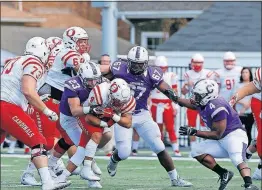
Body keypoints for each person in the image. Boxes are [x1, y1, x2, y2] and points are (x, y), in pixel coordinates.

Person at [101, 46, 192, 187]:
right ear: (128, 61)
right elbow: (99, 75)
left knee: (158, 146)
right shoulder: (119, 68)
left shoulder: (152, 73)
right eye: (134, 63)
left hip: (142, 114)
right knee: (124, 152)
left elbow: (165, 88)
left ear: (146, 63)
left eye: (140, 63)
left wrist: (177, 99)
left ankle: (175, 178)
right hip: (123, 114)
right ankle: (114, 158)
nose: (137, 67)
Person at [0, 37, 71, 190]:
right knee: (38, 142)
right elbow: (28, 90)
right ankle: (47, 182)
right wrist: (46, 110)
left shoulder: (17, 60)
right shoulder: (34, 62)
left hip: (5, 105)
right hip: (8, 107)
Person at [177, 79, 259, 190]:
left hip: (233, 135)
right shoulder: (204, 102)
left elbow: (217, 134)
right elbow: (184, 102)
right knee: (196, 151)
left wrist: (194, 132)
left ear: (207, 96)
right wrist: (171, 95)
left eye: (197, 95)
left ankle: (249, 184)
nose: (194, 97)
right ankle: (224, 173)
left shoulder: (217, 106)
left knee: (236, 157)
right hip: (221, 138)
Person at [57, 78, 135, 189]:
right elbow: (88, 118)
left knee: (83, 148)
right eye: (116, 101)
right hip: (87, 113)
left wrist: (113, 116)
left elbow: (128, 123)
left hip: (103, 116)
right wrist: (105, 123)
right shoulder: (100, 93)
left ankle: (62, 178)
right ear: (110, 92)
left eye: (121, 103)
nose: (118, 104)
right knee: (95, 136)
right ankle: (87, 168)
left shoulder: (128, 100)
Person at [49, 62, 111, 188]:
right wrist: (92, 109)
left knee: (102, 137)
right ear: (81, 77)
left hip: (86, 115)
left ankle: (88, 171)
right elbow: (75, 110)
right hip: (70, 118)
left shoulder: (102, 82)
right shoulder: (72, 84)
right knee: (83, 148)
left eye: (96, 80)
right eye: (90, 81)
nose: (94, 84)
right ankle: (73, 177)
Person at [20, 36, 65, 186]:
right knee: (42, 141)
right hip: (37, 103)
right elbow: (32, 87)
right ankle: (30, 173)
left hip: (48, 102)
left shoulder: (53, 64)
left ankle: (52, 166)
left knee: (49, 139)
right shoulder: (36, 63)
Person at [230, 67, 261, 180]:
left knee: (259, 138)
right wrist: (235, 98)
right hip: (259, 104)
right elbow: (248, 89)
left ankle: (248, 154)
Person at [181, 53, 213, 153]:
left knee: (206, 126)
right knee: (191, 125)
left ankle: (206, 148)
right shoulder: (187, 74)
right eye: (196, 62)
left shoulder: (208, 74)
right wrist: (186, 85)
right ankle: (194, 149)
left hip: (204, 103)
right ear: (192, 62)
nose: (197, 65)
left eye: (199, 63)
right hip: (192, 103)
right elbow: (183, 92)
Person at [149, 56, 181, 156]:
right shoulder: (150, 76)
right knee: (157, 129)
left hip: (167, 105)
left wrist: (176, 106)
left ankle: (176, 149)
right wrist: (148, 107)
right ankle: (158, 149)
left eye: (164, 67)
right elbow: (148, 93)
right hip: (155, 104)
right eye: (160, 67)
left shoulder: (171, 76)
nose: (162, 69)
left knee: (170, 127)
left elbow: (175, 93)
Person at [234, 67, 254, 145]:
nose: (244, 74)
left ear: (250, 74)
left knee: (248, 130)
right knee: (239, 131)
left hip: (250, 112)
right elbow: (235, 96)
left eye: (246, 72)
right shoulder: (238, 85)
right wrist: (243, 104)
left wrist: (245, 107)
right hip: (239, 112)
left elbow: (254, 97)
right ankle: (238, 147)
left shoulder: (253, 84)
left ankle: (248, 149)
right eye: (243, 72)